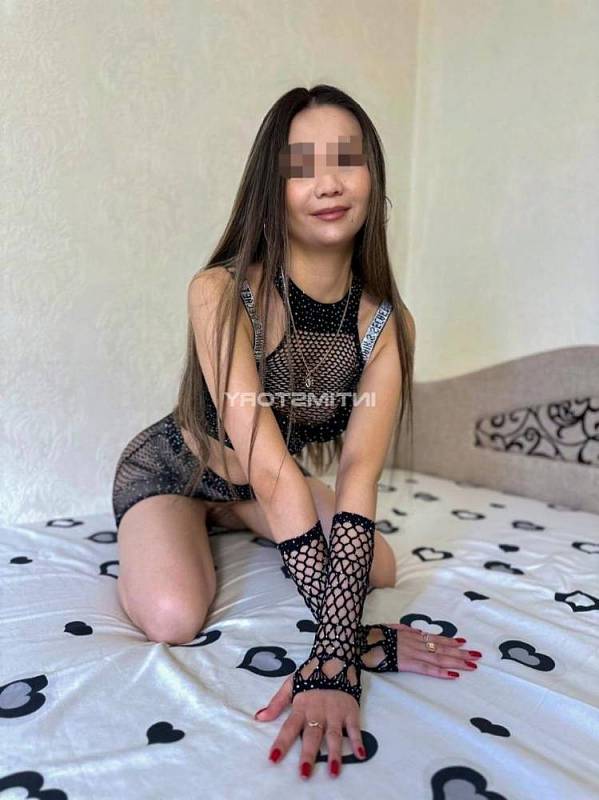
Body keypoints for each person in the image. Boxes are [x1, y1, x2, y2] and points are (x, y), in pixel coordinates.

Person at [111, 84, 481, 781]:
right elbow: (271, 465)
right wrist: (344, 651)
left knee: (378, 568)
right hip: (178, 471)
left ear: (373, 174)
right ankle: (205, 516)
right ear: (271, 188)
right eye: (301, 166)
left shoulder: (386, 325)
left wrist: (335, 647)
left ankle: (234, 517)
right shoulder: (222, 292)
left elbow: (358, 471)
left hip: (260, 487)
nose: (328, 183)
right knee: (171, 616)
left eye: (346, 159)